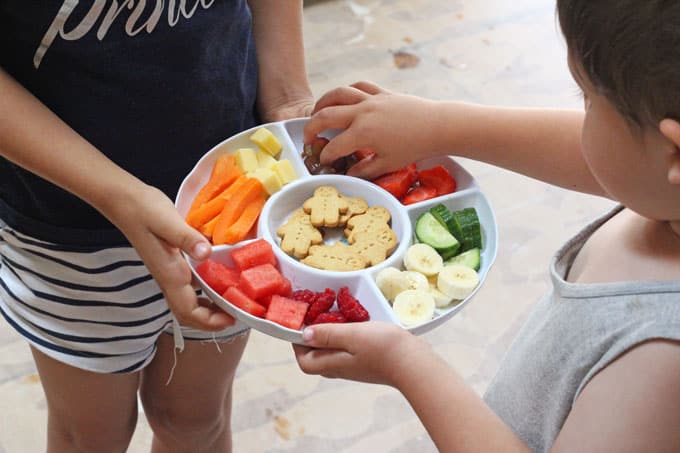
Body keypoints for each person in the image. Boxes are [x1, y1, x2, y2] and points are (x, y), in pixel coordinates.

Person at [294, 0, 680, 451]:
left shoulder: (660, 367)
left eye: (588, 99)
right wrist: (440, 125)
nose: (582, 116)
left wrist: (406, 364)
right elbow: (601, 158)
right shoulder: (660, 191)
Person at [0, 1, 313, 451]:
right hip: (67, 234)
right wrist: (118, 196)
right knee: (90, 438)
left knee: (196, 421)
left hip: (230, 220)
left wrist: (290, 100)